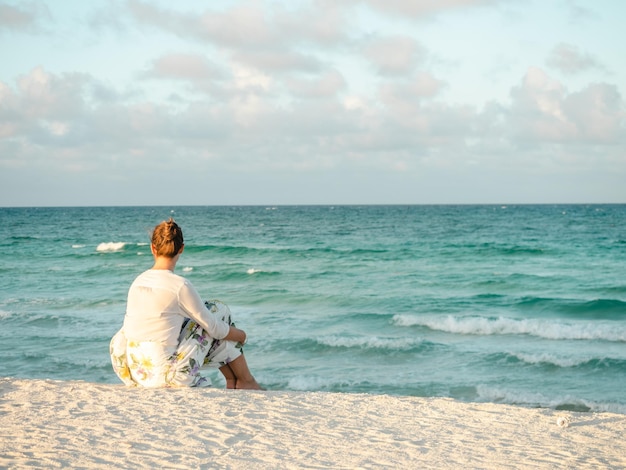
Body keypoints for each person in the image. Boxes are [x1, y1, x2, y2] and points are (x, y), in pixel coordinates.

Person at [110, 218, 262, 390]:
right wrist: (243, 336)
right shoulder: (179, 286)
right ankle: (244, 380)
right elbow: (215, 329)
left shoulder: (138, 282)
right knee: (216, 310)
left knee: (198, 320)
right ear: (181, 248)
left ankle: (236, 380)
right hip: (166, 377)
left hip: (133, 372)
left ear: (153, 248)